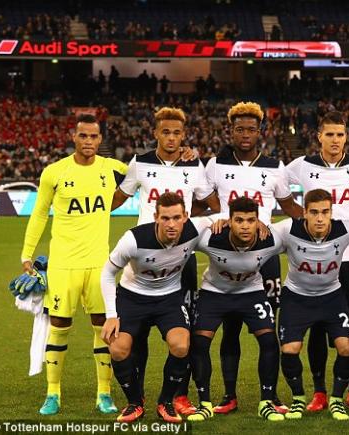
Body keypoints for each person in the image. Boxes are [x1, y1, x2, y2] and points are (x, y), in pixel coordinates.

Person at [111, 106, 219, 416]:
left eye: (176, 133)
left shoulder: (193, 164)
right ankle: (138, 396)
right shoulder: (140, 163)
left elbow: (211, 203)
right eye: (165, 132)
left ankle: (175, 397)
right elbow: (118, 198)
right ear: (155, 133)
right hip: (144, 254)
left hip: (179, 257)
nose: (171, 138)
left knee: (182, 334)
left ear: (183, 135)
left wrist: (186, 220)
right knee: (138, 335)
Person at [20, 114, 127, 415]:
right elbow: (40, 213)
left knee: (102, 328)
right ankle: (53, 393)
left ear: (100, 139)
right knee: (59, 326)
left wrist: (182, 155)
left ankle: (103, 393)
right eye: (83, 136)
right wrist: (27, 254)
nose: (89, 142)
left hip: (98, 266)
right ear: (74, 137)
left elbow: (145, 168)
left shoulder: (111, 168)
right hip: (63, 264)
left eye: (94, 137)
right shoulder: (55, 172)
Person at [204, 101, 303, 414]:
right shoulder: (215, 164)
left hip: (265, 256)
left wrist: (325, 224)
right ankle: (229, 396)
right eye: (239, 129)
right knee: (230, 329)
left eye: (251, 129)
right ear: (230, 131)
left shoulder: (275, 166)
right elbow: (207, 206)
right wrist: (218, 218)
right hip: (226, 254)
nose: (245, 134)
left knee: (267, 331)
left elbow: (290, 208)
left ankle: (269, 396)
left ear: (261, 132)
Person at [285, 110, 349, 412]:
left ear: (346, 136)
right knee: (316, 327)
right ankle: (320, 392)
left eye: (340, 134)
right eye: (330, 134)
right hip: (317, 253)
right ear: (319, 136)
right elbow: (278, 186)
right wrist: (299, 218)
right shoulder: (302, 166)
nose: (335, 140)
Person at [100, 193, 214, 423]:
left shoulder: (195, 228)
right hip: (132, 298)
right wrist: (111, 316)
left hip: (169, 299)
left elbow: (220, 218)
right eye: (165, 218)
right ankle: (134, 403)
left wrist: (223, 221)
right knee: (118, 349)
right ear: (156, 217)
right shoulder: (133, 239)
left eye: (176, 217)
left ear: (186, 217)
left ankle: (166, 402)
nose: (171, 224)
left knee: (181, 345)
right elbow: (107, 273)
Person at [270, 189, 349, 420]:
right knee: (290, 349)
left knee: (347, 348)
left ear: (332, 213)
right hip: (296, 297)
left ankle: (335, 399)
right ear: (304, 213)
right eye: (314, 212)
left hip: (332, 296)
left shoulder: (346, 229)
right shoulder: (287, 229)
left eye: (325, 212)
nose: (320, 218)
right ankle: (298, 399)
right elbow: (260, 235)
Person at [189, 197, 285, 422]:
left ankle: (266, 402)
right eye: (239, 220)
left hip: (250, 293)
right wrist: (212, 219)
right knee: (200, 342)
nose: (245, 225)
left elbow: (299, 233)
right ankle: (205, 404)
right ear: (229, 220)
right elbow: (187, 225)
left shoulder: (270, 239)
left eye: (250, 220)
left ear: (257, 221)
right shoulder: (211, 238)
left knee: (269, 341)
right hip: (214, 293)